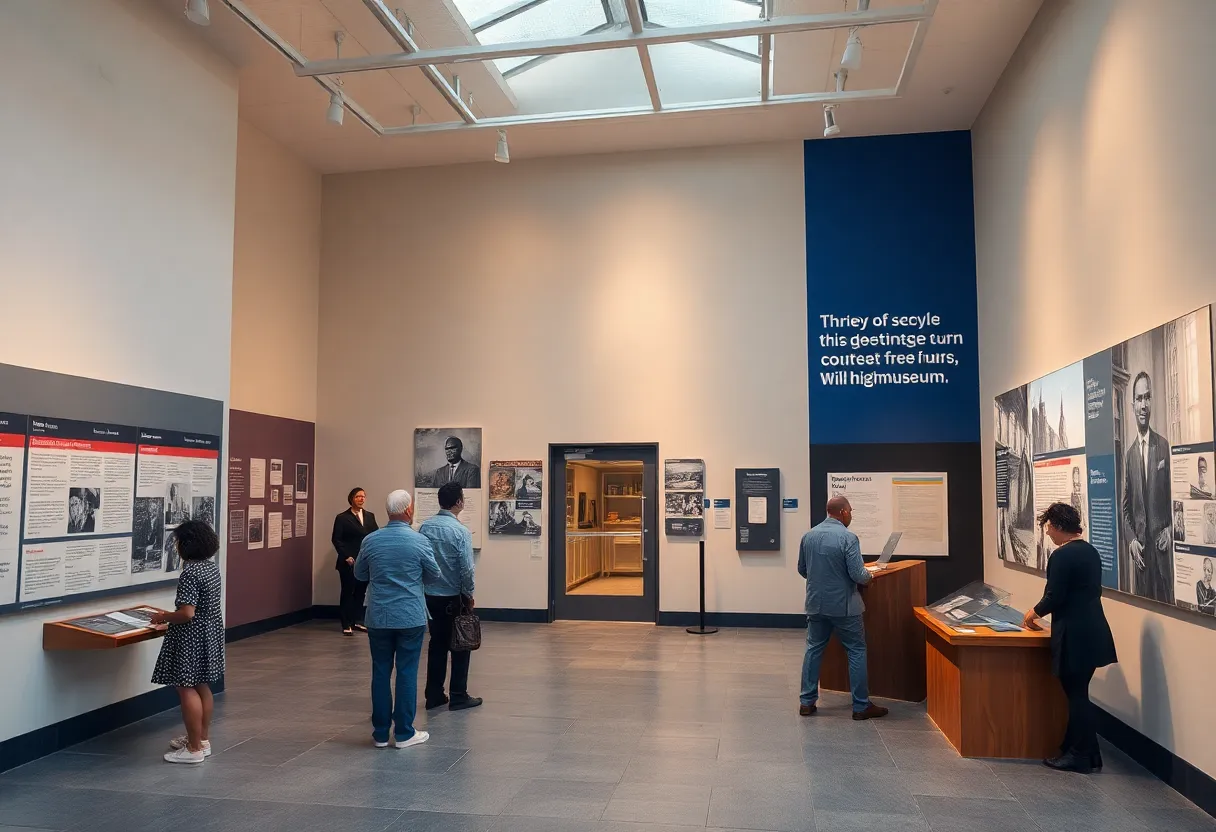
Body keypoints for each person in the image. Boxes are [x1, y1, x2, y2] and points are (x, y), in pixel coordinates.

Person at [1022, 502, 1118, 773]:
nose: (1048, 533)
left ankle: (1080, 754)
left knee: (1076, 696)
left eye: (1049, 527)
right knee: (1079, 693)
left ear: (1058, 526)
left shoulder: (1063, 556)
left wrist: (1033, 613)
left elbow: (1055, 595)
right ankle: (1088, 752)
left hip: (1074, 634)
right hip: (1093, 630)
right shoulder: (1089, 551)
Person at [354, 489, 440, 748]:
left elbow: (359, 574)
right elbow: (434, 574)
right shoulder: (419, 541)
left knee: (380, 672)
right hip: (410, 616)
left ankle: (380, 733)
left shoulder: (370, 540)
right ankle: (404, 732)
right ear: (409, 511)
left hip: (379, 616)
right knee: (406, 672)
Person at [796, 496, 888, 721]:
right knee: (856, 651)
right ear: (844, 512)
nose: (851, 515)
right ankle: (860, 706)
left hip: (815, 604)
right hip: (844, 607)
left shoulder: (808, 536)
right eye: (851, 512)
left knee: (813, 649)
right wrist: (870, 577)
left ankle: (806, 702)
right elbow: (858, 574)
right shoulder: (848, 538)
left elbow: (802, 569)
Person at [150, 520, 225, 764]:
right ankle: (202, 739)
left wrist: (163, 616)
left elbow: (187, 613)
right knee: (202, 685)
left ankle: (193, 749)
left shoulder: (190, 572)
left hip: (191, 636)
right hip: (210, 633)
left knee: (185, 687)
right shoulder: (210, 568)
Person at [419, 482, 481, 711]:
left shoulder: (426, 527)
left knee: (437, 645)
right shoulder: (460, 531)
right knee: (461, 645)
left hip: (430, 596)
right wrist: (469, 595)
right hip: (453, 596)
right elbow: (466, 568)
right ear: (459, 502)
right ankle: (458, 694)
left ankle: (434, 694)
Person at [1121, 372, 1173, 604]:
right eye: (1139, 399)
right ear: (1132, 405)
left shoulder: (1163, 447)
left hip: (1163, 558)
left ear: (1151, 402)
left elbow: (1175, 499)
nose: (1143, 405)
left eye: (1147, 398)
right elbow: (1125, 509)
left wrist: (1171, 530)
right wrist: (1131, 540)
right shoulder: (1129, 455)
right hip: (1141, 559)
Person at [332, 487, 379, 635]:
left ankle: (356, 621)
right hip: (348, 561)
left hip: (364, 561)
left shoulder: (370, 516)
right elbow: (336, 539)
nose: (361, 499)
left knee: (360, 592)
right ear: (352, 498)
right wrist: (346, 556)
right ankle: (346, 623)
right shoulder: (342, 517)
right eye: (358, 496)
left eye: (363, 497)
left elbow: (375, 536)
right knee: (347, 591)